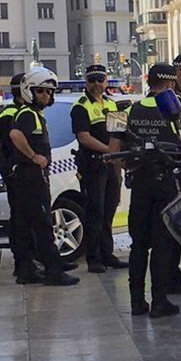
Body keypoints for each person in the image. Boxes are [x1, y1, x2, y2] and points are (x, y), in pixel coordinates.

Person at [3, 68, 80, 287]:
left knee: (27, 225)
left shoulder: (34, 114)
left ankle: (28, 270)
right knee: (43, 224)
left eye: (48, 92)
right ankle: (54, 271)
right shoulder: (28, 114)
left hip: (27, 178)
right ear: (29, 92)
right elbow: (15, 135)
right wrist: (34, 156)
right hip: (31, 179)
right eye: (40, 91)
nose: (46, 96)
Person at [123, 63, 181, 318]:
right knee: (162, 244)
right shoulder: (175, 109)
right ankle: (159, 302)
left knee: (139, 245)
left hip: (140, 185)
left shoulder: (130, 109)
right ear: (170, 83)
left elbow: (116, 145)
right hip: (165, 184)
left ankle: (137, 303)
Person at [72, 65, 126, 273]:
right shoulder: (80, 106)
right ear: (86, 82)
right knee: (95, 212)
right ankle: (93, 258)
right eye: (92, 80)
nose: (96, 84)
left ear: (106, 81)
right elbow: (84, 137)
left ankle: (107, 254)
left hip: (112, 166)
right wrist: (109, 151)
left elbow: (120, 135)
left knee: (109, 211)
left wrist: (119, 160)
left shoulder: (113, 104)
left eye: (100, 80)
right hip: (93, 165)